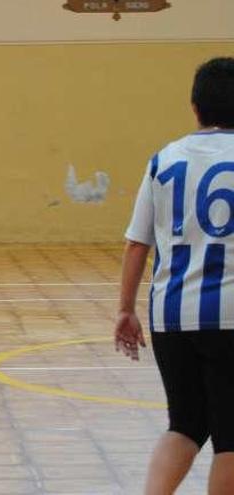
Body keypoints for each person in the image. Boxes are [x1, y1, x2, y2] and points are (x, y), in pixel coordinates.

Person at [116, 57, 234, 494]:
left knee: (185, 422)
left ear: (194, 106)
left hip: (172, 314)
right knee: (231, 439)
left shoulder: (164, 159)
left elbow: (136, 242)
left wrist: (125, 310)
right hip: (230, 316)